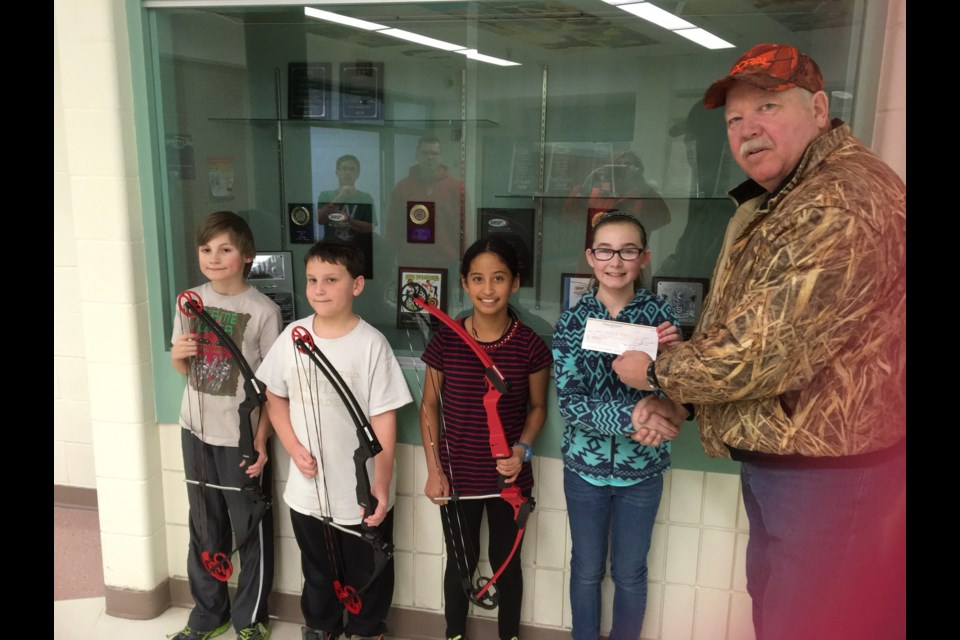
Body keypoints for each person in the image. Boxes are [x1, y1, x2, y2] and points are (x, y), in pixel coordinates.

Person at [611, 43, 906, 640]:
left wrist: (660, 374)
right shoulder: (788, 196)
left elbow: (764, 349)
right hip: (797, 458)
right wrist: (685, 400)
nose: (748, 132)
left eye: (768, 107)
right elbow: (759, 333)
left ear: (820, 110)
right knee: (779, 612)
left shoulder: (837, 199)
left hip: (830, 473)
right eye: (734, 120)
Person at [256, 240, 413, 640]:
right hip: (307, 489)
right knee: (317, 567)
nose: (319, 289)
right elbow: (274, 395)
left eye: (331, 279)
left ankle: (366, 628)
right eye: (312, 280)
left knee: (368, 568)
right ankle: (321, 626)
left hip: (359, 489)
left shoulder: (371, 344)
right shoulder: (294, 335)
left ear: (357, 285)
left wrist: (379, 485)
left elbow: (384, 421)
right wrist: (292, 446)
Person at [552, 210, 683, 640]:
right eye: (605, 250)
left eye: (628, 250)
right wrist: (633, 417)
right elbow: (571, 404)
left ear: (643, 258)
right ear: (591, 257)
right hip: (583, 473)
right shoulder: (572, 322)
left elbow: (679, 393)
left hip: (642, 471)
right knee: (586, 570)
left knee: (630, 572)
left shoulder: (662, 321)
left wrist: (673, 366)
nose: (616, 261)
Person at [419, 237, 553, 640]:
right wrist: (433, 471)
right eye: (478, 278)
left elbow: (538, 408)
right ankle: (454, 633)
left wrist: (522, 449)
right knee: (460, 562)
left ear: (515, 283)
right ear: (465, 283)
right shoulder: (446, 339)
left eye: (498, 278)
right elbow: (429, 406)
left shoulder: (530, 344)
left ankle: (508, 635)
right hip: (457, 476)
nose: (488, 288)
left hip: (507, 478)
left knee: (505, 563)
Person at [170, 211, 282, 640]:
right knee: (203, 522)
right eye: (205, 250)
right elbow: (186, 369)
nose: (214, 258)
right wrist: (177, 354)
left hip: (240, 437)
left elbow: (274, 389)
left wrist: (261, 439)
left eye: (225, 249)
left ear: (247, 256)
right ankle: (207, 614)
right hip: (194, 430)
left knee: (250, 526)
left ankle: (250, 618)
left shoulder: (264, 310)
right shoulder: (188, 301)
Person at [388, 135, 467, 266]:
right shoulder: (402, 187)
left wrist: (465, 258)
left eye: (434, 153)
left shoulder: (455, 188)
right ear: (417, 155)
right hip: (410, 259)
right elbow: (393, 226)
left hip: (446, 260)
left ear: (441, 157)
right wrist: (391, 256)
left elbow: (462, 227)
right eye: (425, 153)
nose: (430, 158)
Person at [317, 154, 375, 278]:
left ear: (358, 174)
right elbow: (319, 219)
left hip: (357, 255)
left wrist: (349, 221)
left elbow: (370, 227)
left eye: (352, 169)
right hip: (331, 255)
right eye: (344, 168)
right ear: (337, 172)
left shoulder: (365, 198)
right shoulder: (326, 195)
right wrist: (340, 197)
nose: (348, 172)